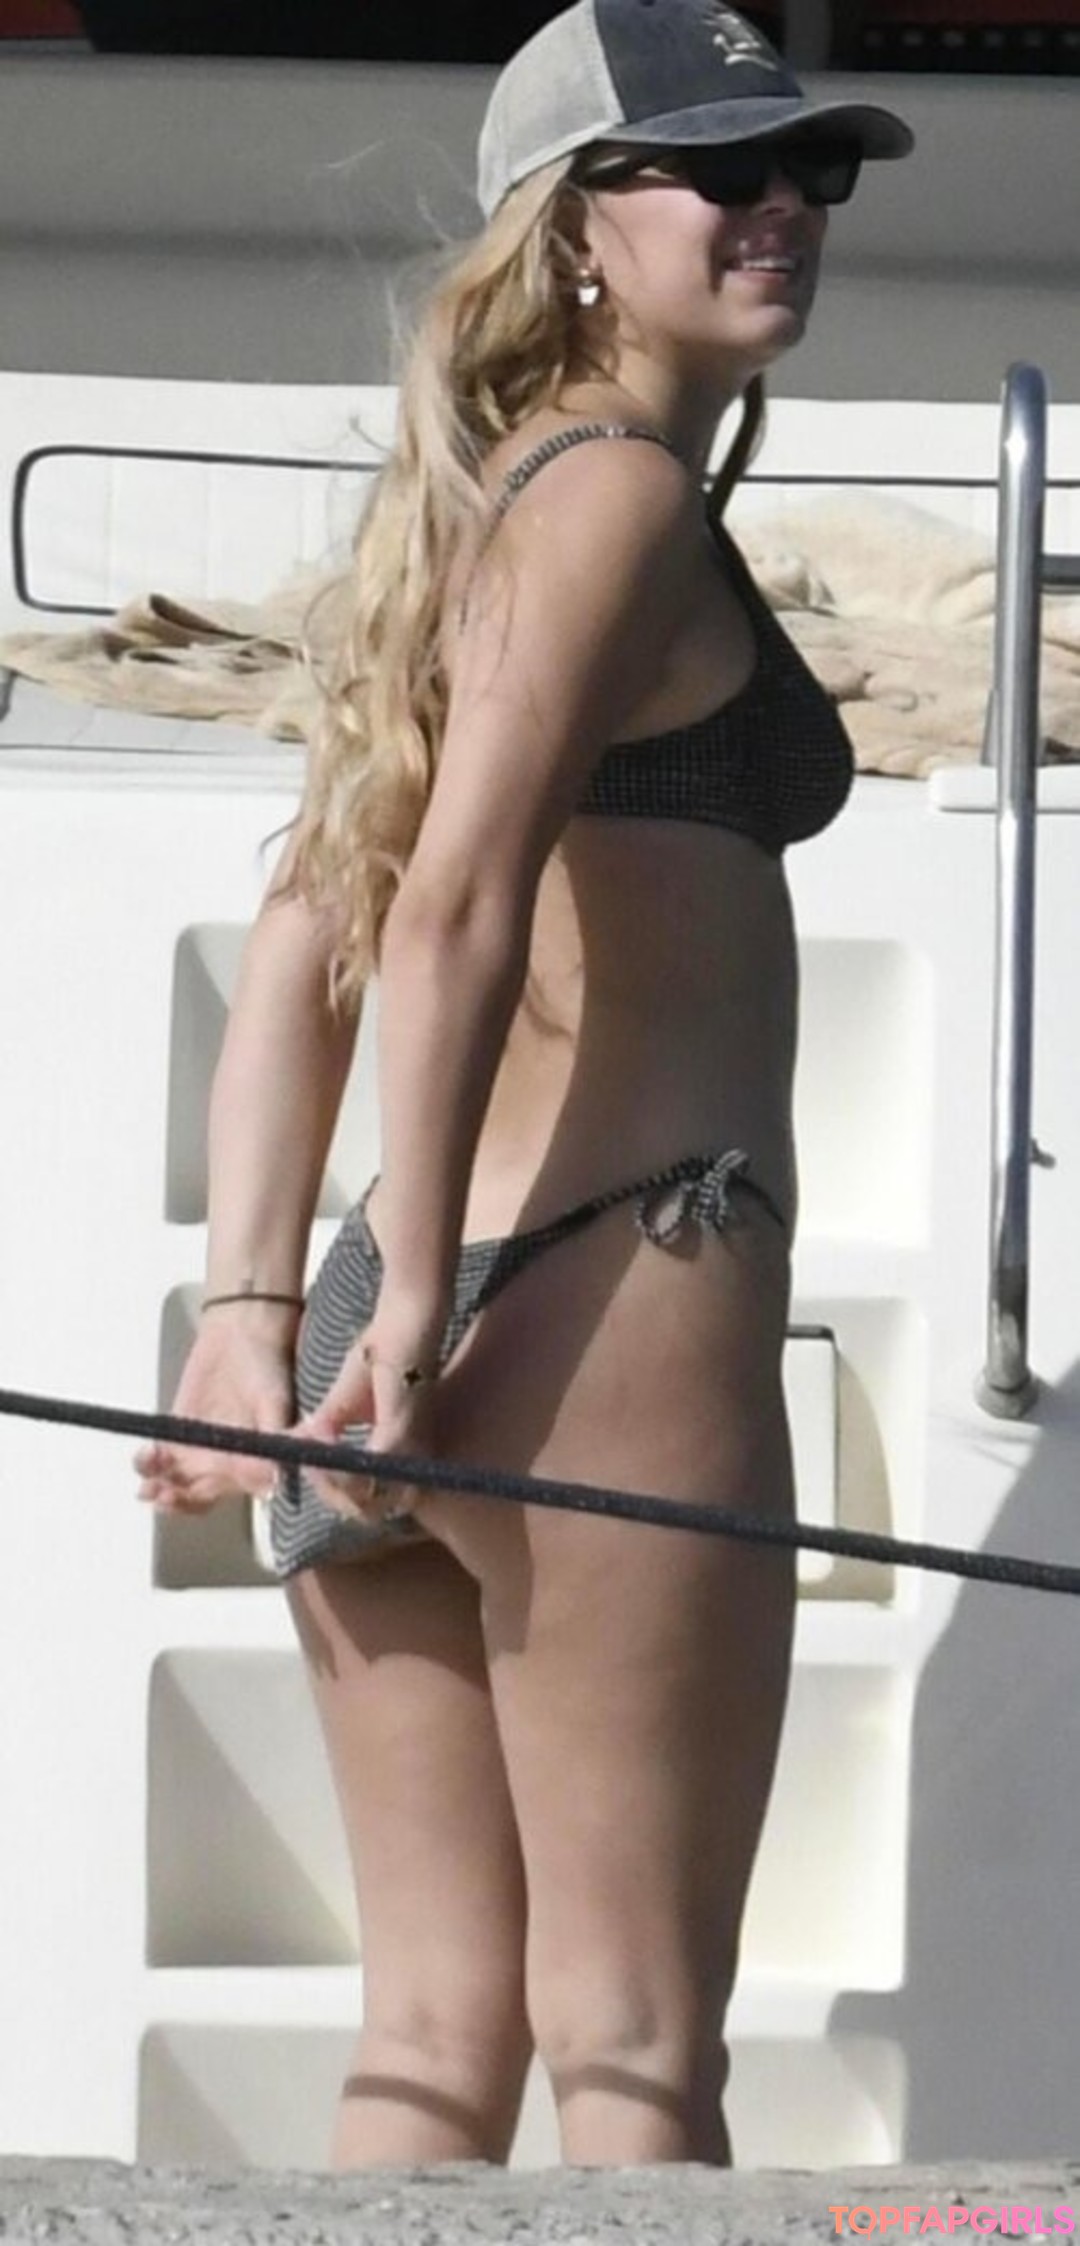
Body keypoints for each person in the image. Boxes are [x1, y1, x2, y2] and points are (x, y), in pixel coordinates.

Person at [134, 0, 912, 2171]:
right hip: (604, 1305)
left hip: (407, 1310)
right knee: (639, 2043)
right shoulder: (622, 496)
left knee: (428, 2036)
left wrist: (260, 1315)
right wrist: (400, 1328)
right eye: (720, 170)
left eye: (811, 168)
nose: (782, 206)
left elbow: (311, 925)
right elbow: (456, 904)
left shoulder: (463, 518)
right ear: (573, 228)